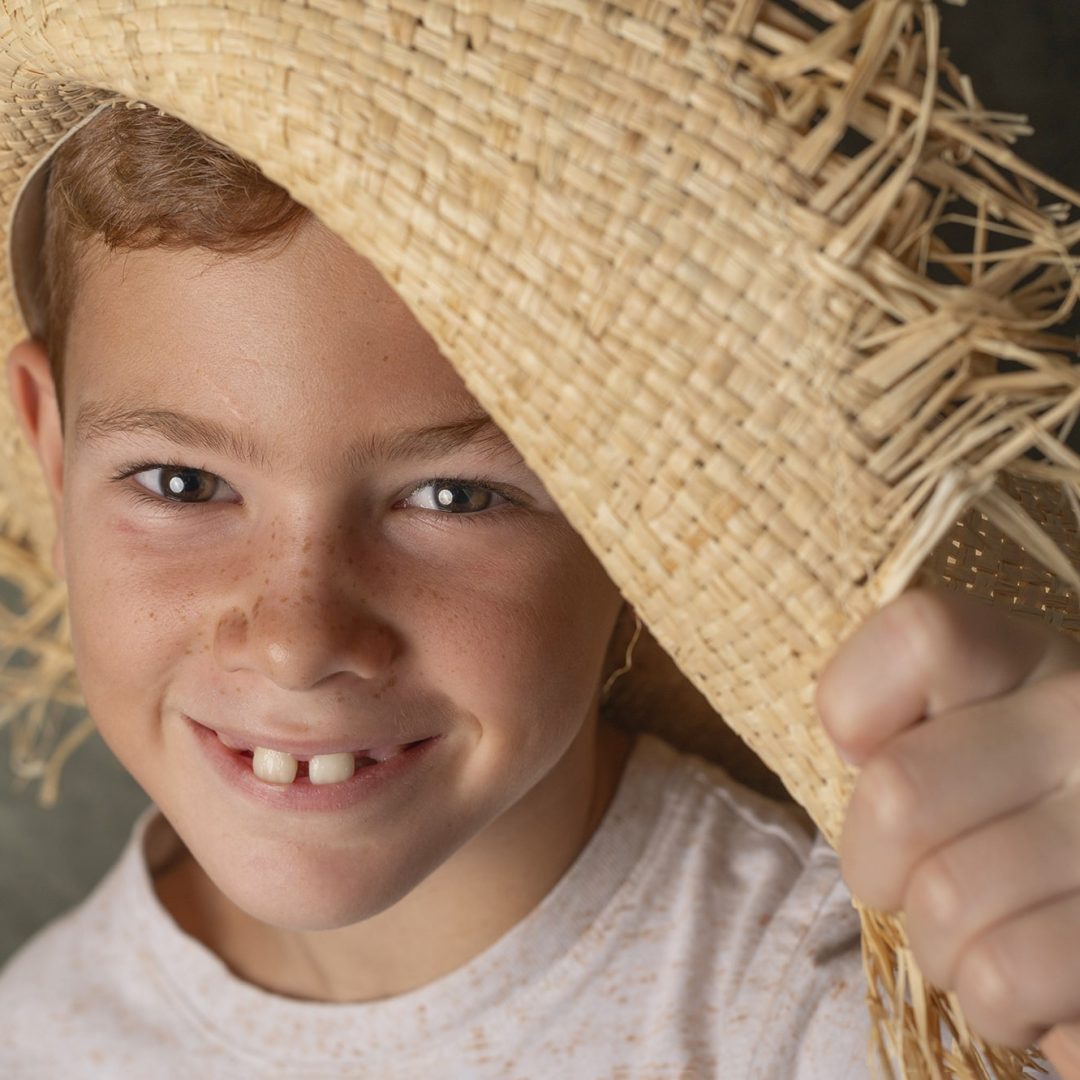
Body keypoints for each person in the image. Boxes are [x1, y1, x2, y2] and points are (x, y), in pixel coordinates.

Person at [0, 3, 1079, 1078]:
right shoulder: (36, 1035)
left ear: (639, 515)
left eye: (454, 496)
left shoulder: (844, 1003)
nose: (296, 641)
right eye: (182, 484)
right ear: (50, 445)